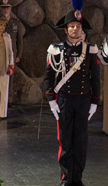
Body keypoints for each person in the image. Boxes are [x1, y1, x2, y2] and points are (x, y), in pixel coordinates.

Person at [44, 9, 100, 186]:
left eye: (78, 26)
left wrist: (94, 102)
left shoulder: (90, 50)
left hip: (83, 101)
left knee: (81, 142)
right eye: (71, 26)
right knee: (65, 141)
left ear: (82, 30)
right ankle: (66, 179)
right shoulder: (55, 50)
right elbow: (48, 77)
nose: (75, 29)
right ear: (66, 30)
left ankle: (78, 179)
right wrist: (51, 100)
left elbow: (95, 78)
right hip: (64, 101)